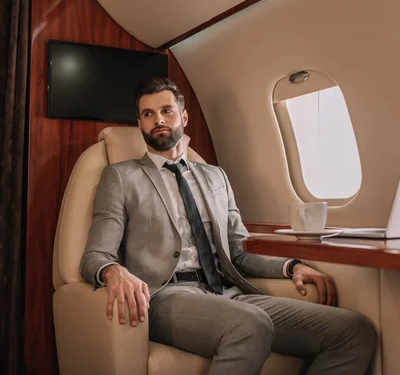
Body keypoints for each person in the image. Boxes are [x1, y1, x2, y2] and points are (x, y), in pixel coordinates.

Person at [79, 76, 377, 374]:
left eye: (166, 111)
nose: (158, 120)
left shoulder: (215, 176)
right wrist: (113, 270)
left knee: (353, 330)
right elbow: (95, 256)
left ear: (183, 116)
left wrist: (292, 266)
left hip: (228, 293)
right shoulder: (120, 176)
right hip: (166, 296)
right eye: (148, 114)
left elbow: (240, 251)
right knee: (250, 325)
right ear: (140, 124)